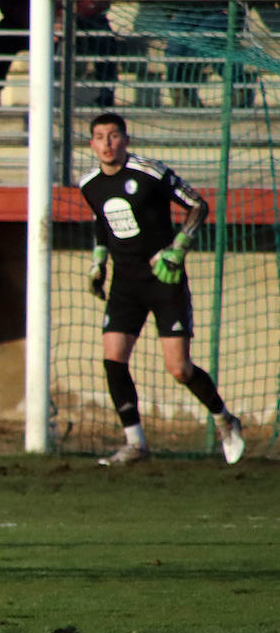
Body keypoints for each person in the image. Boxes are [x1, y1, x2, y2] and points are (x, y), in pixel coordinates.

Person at [79, 112, 245, 466]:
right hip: (125, 283)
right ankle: (135, 443)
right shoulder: (89, 184)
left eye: (113, 136)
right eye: (99, 137)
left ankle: (224, 419)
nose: (107, 144)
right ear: (91, 143)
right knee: (113, 359)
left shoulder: (150, 172)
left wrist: (177, 249)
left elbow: (198, 205)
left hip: (163, 280)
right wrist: (98, 264)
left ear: (126, 139)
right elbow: (102, 221)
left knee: (179, 369)